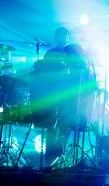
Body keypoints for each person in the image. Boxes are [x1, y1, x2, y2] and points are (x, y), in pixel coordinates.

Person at [32, 27, 95, 167]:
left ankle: (60, 158)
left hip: (69, 97)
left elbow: (83, 75)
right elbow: (43, 74)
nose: (62, 37)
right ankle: (50, 159)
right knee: (51, 126)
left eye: (65, 35)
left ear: (68, 37)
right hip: (53, 95)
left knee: (65, 125)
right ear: (56, 37)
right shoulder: (50, 53)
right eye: (59, 35)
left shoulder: (74, 52)